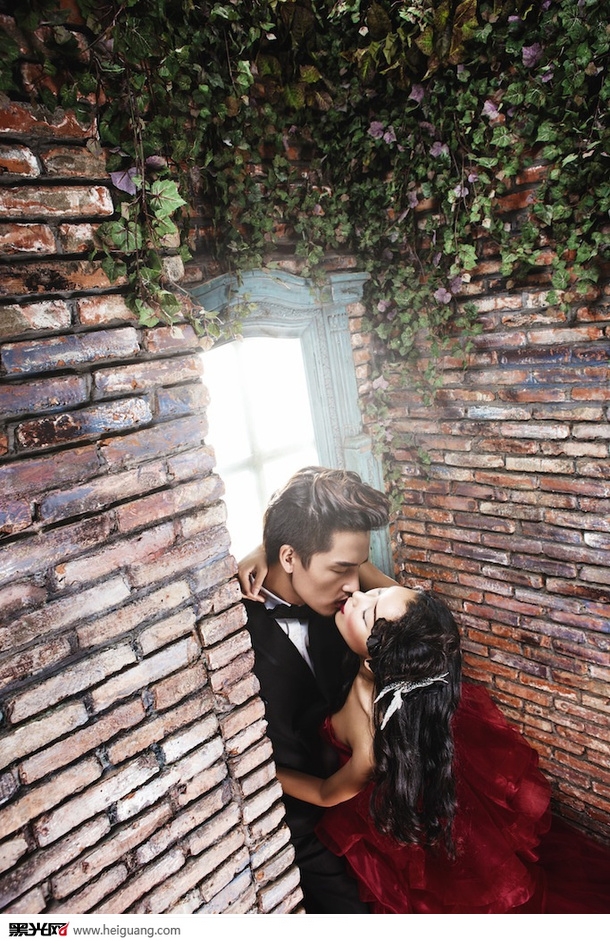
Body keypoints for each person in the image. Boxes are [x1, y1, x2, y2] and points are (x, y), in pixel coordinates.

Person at [274, 585, 610, 913]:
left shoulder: (369, 746)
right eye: (372, 593)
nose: (357, 595)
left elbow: (326, 794)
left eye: (366, 613)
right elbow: (361, 570)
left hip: (392, 807)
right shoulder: (397, 638)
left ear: (377, 662)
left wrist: (268, 776)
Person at [241, 466, 392, 914]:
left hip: (374, 811)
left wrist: (264, 547)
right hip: (298, 830)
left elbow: (421, 612)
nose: (354, 586)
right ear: (289, 557)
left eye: (358, 567)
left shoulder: (351, 604)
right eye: (341, 569)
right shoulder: (225, 626)